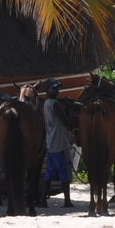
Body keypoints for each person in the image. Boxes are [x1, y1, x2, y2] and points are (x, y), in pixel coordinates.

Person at [39, 79, 73, 208]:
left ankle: (43, 201)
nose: (57, 91)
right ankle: (67, 201)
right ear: (48, 90)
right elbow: (65, 120)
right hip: (60, 143)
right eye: (54, 88)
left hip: (50, 143)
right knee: (64, 172)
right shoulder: (55, 104)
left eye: (57, 88)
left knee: (49, 173)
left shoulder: (46, 104)